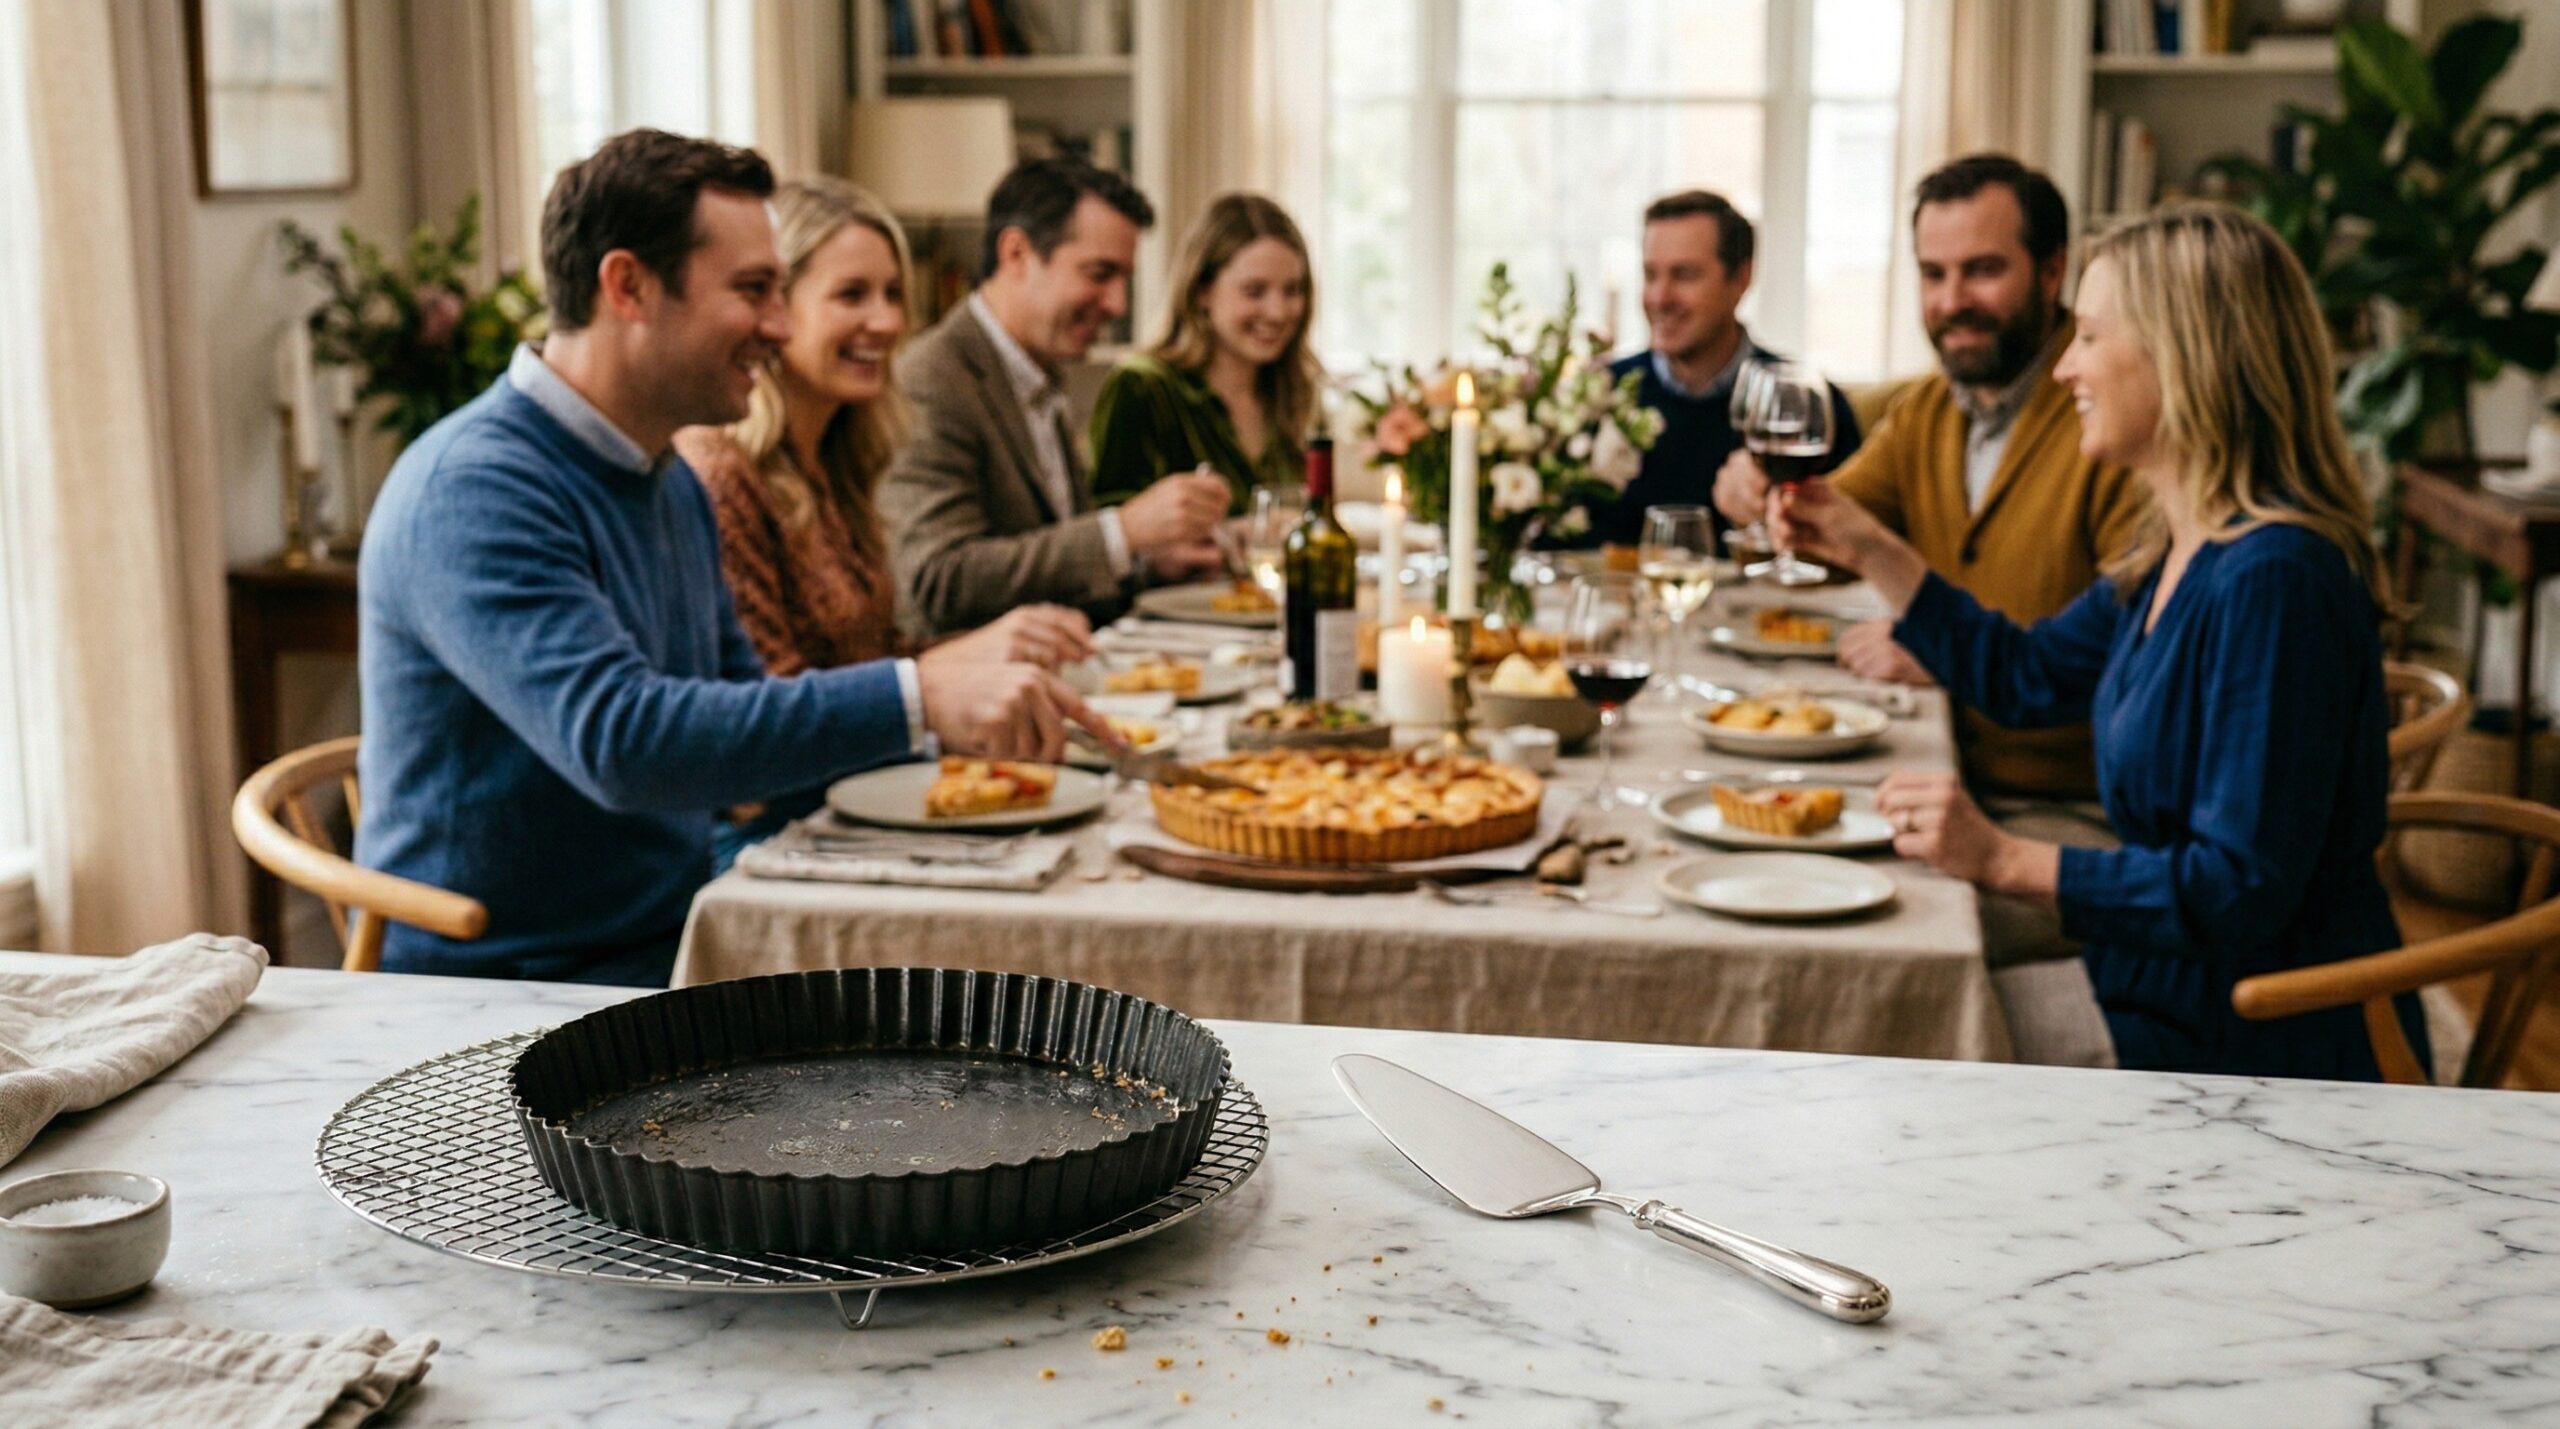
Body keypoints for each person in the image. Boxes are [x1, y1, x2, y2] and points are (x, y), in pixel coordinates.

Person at [357, 130, 1102, 986]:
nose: (780, 327)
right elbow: (623, 741)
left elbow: (748, 724)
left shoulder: (666, 476)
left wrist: (986, 754)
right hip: (511, 988)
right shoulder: (475, 489)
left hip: (683, 934)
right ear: (628, 286)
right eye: (754, 292)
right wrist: (919, 694)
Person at [1772, 202, 2417, 1081]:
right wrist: (1860, 540)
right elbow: (2025, 674)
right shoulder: (2176, 547)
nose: (2066, 365)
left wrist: (2004, 857)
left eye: (2092, 336)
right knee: (1854, 970)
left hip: (2247, 1036)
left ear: (2185, 357)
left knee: (1878, 1033)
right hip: (2158, 976)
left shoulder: (2275, 581)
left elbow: (2237, 890)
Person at [672, 178, 1095, 869]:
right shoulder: (721, 472)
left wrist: (989, 652)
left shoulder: (837, 457)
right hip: (772, 840)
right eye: (852, 295)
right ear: (779, 307)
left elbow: (868, 650)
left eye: (894, 294)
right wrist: (940, 685)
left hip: (858, 797)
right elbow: (766, 718)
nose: (888, 321)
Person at [1715, 155, 2150, 801]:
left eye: (1983, 270)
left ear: (2052, 269)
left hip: (2058, 800)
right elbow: (1835, 531)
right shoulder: (1927, 410)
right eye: (1933, 274)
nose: (1952, 302)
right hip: (1933, 767)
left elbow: (2134, 661)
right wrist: (1760, 504)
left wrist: (1949, 656)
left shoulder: (2111, 420)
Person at [880, 159, 1231, 637]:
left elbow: (1051, 560)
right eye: (1099, 273)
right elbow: (940, 581)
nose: (1117, 304)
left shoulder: (1037, 375)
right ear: (1017, 254)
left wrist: (1146, 563)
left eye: (1122, 278)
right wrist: (1121, 533)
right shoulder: (933, 380)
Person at [1597, 189, 1857, 547]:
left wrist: (1775, 515)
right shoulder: (1599, 393)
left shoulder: (1809, 406)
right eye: (1650, 275)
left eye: (1684, 275)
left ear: (1741, 279)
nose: (1660, 297)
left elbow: (1853, 555)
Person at [1088, 193, 1321, 515]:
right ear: (1202, 291)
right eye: (1254, 291)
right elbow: (1112, 535)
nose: (1278, 312)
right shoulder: (1143, 388)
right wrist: (1228, 538)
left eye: (1292, 290)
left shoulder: (1295, 396)